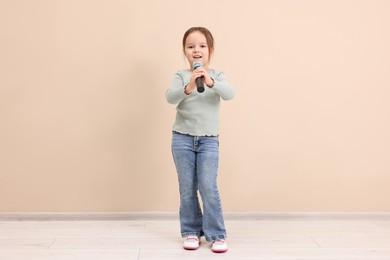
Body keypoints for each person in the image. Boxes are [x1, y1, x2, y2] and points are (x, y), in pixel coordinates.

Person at [165, 27, 235, 253]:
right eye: (191, 46)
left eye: (202, 46)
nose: (196, 50)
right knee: (187, 188)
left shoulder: (216, 76)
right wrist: (189, 86)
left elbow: (230, 93)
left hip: (208, 141)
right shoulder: (182, 76)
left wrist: (210, 81)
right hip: (182, 140)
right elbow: (170, 97)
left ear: (210, 51)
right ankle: (191, 231)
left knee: (208, 186)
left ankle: (216, 235)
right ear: (185, 52)